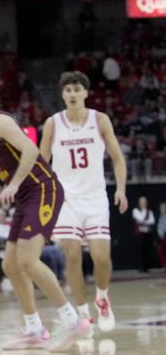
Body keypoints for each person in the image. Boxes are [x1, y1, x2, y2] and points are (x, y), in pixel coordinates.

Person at [0, 80, 90, 351]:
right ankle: (34, 328)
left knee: (28, 261)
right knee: (10, 265)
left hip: (42, 189)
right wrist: (14, 188)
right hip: (25, 197)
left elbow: (31, 149)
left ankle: (74, 322)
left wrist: (15, 183)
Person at [39, 71, 128, 332]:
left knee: (101, 257)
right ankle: (82, 315)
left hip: (95, 197)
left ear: (86, 93)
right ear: (62, 94)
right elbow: (42, 163)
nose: (72, 94)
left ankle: (102, 296)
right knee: (72, 254)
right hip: (65, 198)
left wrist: (120, 189)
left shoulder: (100, 120)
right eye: (67, 90)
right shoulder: (52, 124)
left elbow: (118, 158)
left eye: (77, 89)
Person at [132, 196, 157, 273]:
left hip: (148, 234)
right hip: (140, 234)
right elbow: (140, 219)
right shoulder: (136, 210)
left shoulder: (149, 211)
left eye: (144, 201)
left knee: (147, 250)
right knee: (140, 251)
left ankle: (146, 267)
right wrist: (144, 213)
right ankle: (140, 267)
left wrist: (143, 222)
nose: (143, 203)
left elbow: (152, 221)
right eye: (142, 202)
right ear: (139, 202)